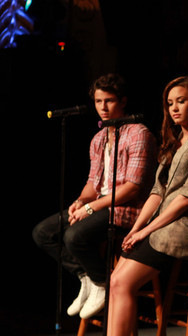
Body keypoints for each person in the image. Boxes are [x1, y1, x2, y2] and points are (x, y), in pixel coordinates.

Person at [77, 76, 188, 336]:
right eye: (170, 103)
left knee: (124, 281)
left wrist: (145, 232)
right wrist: (137, 227)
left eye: (181, 101)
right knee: (115, 280)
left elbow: (186, 198)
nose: (174, 109)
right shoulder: (174, 141)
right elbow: (156, 192)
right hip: (158, 224)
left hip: (185, 226)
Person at [32, 73, 157, 320]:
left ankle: (101, 283)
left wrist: (90, 208)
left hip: (128, 210)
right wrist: (79, 202)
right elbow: (93, 183)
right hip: (101, 206)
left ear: (122, 101)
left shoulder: (138, 133)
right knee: (43, 233)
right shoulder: (99, 138)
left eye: (109, 101)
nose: (103, 107)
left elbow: (132, 188)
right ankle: (86, 277)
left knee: (74, 235)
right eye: (99, 101)